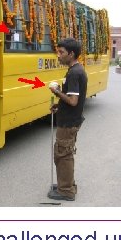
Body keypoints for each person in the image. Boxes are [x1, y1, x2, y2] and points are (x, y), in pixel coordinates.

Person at [48, 38, 87, 202]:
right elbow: (70, 100)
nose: (59, 55)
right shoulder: (76, 70)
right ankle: (66, 184)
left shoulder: (74, 73)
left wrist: (56, 91)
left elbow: (73, 101)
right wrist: (59, 106)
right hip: (70, 119)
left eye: (61, 52)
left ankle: (66, 191)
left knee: (63, 155)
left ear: (71, 54)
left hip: (68, 123)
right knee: (65, 153)